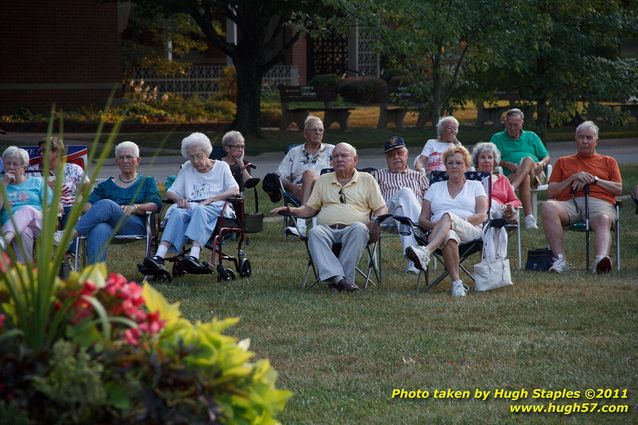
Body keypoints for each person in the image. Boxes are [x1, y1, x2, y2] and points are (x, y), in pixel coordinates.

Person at [271, 143, 387, 292]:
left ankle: (336, 280)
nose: (339, 159)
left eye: (344, 156)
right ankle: (341, 280)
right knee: (314, 232)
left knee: (359, 228)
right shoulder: (323, 180)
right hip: (327, 230)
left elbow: (381, 207)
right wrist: (289, 209)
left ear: (355, 160)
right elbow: (308, 210)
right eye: (335, 156)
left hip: (354, 229)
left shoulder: (367, 180)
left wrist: (377, 220)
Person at [143, 132, 239, 273]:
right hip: (191, 206)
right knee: (176, 212)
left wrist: (213, 198)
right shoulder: (188, 167)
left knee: (201, 210)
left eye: (199, 156)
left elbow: (235, 189)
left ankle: (194, 256)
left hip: (216, 206)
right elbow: (171, 191)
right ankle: (159, 257)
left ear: (207, 152)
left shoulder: (222, 167)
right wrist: (178, 199)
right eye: (191, 157)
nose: (195, 161)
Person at [55, 141, 162, 264]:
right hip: (110, 226)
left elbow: (156, 204)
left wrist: (136, 207)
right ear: (116, 161)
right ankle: (95, 275)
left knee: (107, 204)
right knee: (99, 228)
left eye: (129, 157)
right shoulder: (106, 185)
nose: (125, 160)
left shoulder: (147, 182)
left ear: (137, 160)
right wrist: (95, 212)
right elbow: (87, 205)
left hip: (134, 225)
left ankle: (68, 235)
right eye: (121, 158)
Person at [405, 146, 488, 297]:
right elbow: (423, 219)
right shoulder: (435, 187)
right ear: (445, 166)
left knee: (448, 216)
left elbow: (483, 215)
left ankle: (426, 252)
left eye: (459, 163)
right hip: (439, 233)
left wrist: (454, 220)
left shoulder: (476, 185)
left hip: (471, 231)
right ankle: (457, 284)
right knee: (449, 235)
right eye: (450, 163)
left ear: (466, 166)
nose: (454, 166)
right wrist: (443, 225)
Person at [541, 121, 622, 274]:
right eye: (581, 137)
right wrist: (573, 178)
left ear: (596, 140)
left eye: (589, 137)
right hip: (569, 203)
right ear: (575, 139)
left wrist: (595, 180)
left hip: (600, 204)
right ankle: (560, 260)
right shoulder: (563, 161)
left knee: (603, 219)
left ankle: (600, 260)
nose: (584, 141)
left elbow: (618, 188)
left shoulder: (609, 161)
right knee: (548, 206)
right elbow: (551, 192)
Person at [263, 115, 334, 235]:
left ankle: (301, 224)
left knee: (309, 175)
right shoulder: (294, 153)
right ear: (305, 133)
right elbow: (277, 176)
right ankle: (316, 228)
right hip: (298, 192)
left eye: (320, 130)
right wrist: (290, 186)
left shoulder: (332, 151)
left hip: (327, 190)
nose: (318, 133)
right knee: (310, 177)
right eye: (314, 130)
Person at [375, 136, 429, 274]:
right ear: (387, 159)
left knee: (402, 208)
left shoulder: (419, 176)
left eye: (400, 153)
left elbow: (430, 200)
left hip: (406, 217)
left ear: (407, 155)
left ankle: (413, 262)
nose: (396, 157)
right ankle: (419, 233)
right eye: (392, 155)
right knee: (405, 192)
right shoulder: (378, 176)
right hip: (387, 215)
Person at [490, 108, 550, 229]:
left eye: (516, 125)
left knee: (527, 160)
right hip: (512, 175)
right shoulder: (497, 138)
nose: (512, 128)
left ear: (522, 123)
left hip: (536, 174)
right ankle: (529, 218)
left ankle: (511, 189)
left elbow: (546, 157)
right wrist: (505, 163)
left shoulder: (531, 136)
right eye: (509, 125)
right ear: (505, 123)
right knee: (525, 177)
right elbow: (490, 158)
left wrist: (541, 164)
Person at [0, 146, 53, 262]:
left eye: (15, 164)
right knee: (24, 231)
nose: (11, 167)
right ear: (3, 164)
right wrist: (4, 185)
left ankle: (4, 240)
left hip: (39, 224)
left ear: (24, 167)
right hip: (9, 226)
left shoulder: (37, 183)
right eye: (8, 163)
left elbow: (57, 207)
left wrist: (35, 213)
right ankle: (25, 272)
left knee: (27, 209)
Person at [38, 136, 89, 226]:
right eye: (40, 151)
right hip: (45, 210)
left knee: (71, 212)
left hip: (70, 209)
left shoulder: (74, 169)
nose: (41, 154)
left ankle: (67, 238)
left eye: (45, 151)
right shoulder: (33, 172)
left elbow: (88, 190)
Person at [472, 142, 521, 221]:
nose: (486, 160)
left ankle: (485, 227)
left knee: (490, 204)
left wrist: (507, 205)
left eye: (490, 157)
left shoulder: (503, 179)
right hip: (476, 209)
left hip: (499, 211)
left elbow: (516, 201)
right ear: (477, 161)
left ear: (494, 161)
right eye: (482, 157)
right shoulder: (472, 179)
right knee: (486, 203)